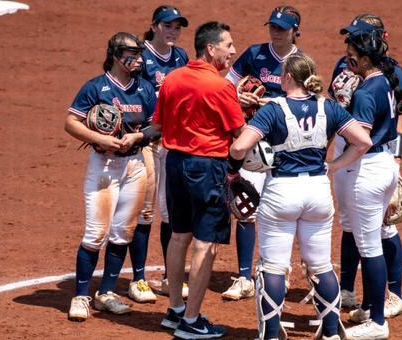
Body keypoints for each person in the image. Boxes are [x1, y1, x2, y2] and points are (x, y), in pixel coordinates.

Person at [229, 53, 372, 340]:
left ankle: (270, 334)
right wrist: (333, 165)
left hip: (282, 192)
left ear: (289, 77)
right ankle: (331, 331)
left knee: (273, 266)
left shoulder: (273, 110)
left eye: (283, 73)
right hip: (318, 191)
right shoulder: (329, 108)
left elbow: (238, 148)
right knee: (320, 264)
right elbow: (363, 141)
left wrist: (237, 171)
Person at [152, 21, 244, 339]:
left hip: (174, 164)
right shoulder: (221, 87)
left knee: (179, 236)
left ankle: (175, 309)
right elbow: (239, 136)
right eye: (228, 45)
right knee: (207, 244)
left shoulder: (172, 78)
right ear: (210, 48)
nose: (233, 51)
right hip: (207, 169)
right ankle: (191, 322)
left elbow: (159, 124)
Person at [64, 32, 158, 321]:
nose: (139, 59)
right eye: (133, 54)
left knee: (122, 233)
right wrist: (100, 139)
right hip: (104, 166)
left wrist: (138, 136)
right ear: (117, 56)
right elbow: (71, 122)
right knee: (95, 234)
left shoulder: (144, 89)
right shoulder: (96, 87)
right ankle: (80, 296)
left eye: (140, 54)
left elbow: (158, 126)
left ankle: (105, 293)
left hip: (135, 165)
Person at [329, 14, 402, 320]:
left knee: (379, 232)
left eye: (355, 39)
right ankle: (350, 293)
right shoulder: (349, 66)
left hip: (369, 154)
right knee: (352, 225)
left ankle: (390, 296)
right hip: (355, 151)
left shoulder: (391, 74)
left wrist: (397, 160)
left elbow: (396, 117)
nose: (348, 45)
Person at [221, 4, 302, 302]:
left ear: (295, 30)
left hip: (286, 145)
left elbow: (310, 100)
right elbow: (224, 86)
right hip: (253, 141)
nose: (276, 31)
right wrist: (237, 96)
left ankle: (278, 270)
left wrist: (275, 104)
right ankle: (243, 276)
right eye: (272, 26)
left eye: (282, 27)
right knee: (245, 208)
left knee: (281, 209)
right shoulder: (254, 54)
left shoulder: (302, 62)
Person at [127, 4, 190, 304]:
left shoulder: (181, 58)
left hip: (173, 142)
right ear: (154, 26)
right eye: (167, 25)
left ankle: (169, 276)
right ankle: (138, 278)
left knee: (170, 212)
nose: (173, 31)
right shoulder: (141, 57)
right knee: (146, 211)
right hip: (149, 142)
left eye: (177, 26)